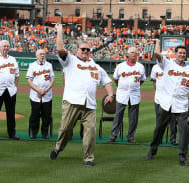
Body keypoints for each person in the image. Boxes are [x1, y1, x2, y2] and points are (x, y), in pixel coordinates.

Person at [49, 24, 114, 166]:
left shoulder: (95, 66)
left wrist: (110, 94)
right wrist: (59, 32)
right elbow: (60, 49)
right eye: (82, 49)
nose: (85, 51)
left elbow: (106, 81)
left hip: (89, 105)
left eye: (87, 49)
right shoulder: (70, 61)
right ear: (77, 50)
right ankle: (59, 147)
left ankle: (89, 157)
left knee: (90, 132)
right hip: (72, 101)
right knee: (66, 129)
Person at [146, 39, 189, 166]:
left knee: (184, 131)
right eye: (180, 53)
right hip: (166, 103)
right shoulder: (167, 64)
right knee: (159, 129)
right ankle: (153, 150)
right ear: (175, 53)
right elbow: (157, 54)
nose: (182, 55)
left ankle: (182, 157)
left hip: (181, 105)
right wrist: (157, 42)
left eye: (184, 53)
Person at [108, 47, 146, 143]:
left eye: (136, 53)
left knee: (133, 117)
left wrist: (135, 86)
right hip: (122, 93)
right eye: (132, 52)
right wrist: (120, 87)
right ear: (127, 55)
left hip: (135, 93)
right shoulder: (120, 66)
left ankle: (131, 136)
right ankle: (113, 135)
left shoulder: (140, 66)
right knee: (118, 115)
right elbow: (115, 78)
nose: (134, 54)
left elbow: (142, 79)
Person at [150, 51, 178, 145]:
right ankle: (158, 139)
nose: (165, 59)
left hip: (171, 99)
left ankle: (173, 139)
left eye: (167, 57)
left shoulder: (173, 67)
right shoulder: (155, 67)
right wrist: (158, 91)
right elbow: (154, 81)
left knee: (172, 121)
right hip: (158, 98)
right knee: (159, 120)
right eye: (163, 57)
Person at [26, 49, 54, 139]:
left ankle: (44, 133)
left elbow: (52, 80)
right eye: (40, 54)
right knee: (35, 115)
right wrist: (38, 91)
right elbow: (29, 81)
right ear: (36, 56)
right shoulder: (32, 65)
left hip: (47, 94)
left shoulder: (49, 65)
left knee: (46, 115)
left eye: (43, 54)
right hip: (35, 95)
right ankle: (34, 133)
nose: (42, 55)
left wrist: (45, 90)